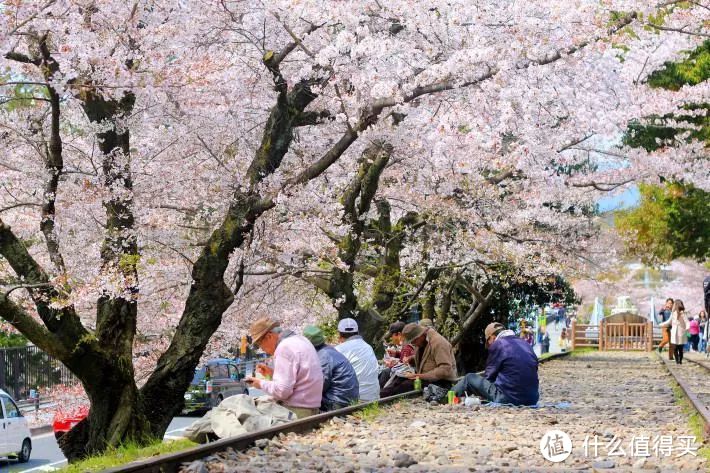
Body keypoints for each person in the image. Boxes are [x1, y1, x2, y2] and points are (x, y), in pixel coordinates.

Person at [244, 317, 323, 418]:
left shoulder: (284, 348)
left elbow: (282, 391)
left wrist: (259, 384)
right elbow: (298, 377)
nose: (262, 349)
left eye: (260, 344)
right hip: (311, 406)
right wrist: (272, 374)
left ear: (269, 336)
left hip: (298, 410)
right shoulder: (301, 340)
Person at [453, 322, 539, 405]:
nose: (489, 346)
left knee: (469, 378)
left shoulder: (498, 344)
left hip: (509, 398)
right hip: (532, 399)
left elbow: (489, 377)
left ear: (493, 337)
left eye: (488, 342)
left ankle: (447, 397)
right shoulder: (525, 344)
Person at [302, 326, 359, 411]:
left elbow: (318, 385)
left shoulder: (323, 356)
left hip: (337, 402)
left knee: (298, 402)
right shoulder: (328, 350)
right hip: (347, 399)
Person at [401, 323, 457, 389]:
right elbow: (426, 358)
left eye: (414, 341)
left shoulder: (439, 343)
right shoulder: (421, 342)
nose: (413, 344)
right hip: (425, 379)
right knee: (397, 381)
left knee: (404, 386)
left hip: (442, 382)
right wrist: (411, 359)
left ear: (420, 335)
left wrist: (420, 376)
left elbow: (445, 369)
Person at [335, 318, 380, 402]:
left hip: (354, 401)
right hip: (374, 398)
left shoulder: (339, 350)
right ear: (357, 332)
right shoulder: (368, 347)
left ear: (340, 335)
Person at [659, 300, 690, 365]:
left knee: (680, 348)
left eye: (674, 304)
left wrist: (687, 328)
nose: (673, 305)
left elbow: (687, 322)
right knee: (675, 347)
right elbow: (669, 322)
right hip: (674, 332)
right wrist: (661, 324)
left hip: (681, 332)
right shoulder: (673, 313)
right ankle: (677, 361)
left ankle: (680, 360)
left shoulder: (682, 313)